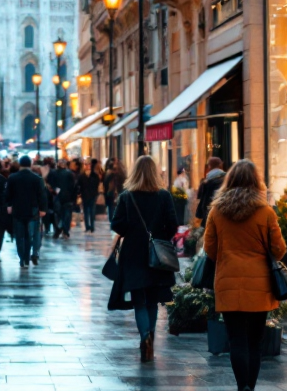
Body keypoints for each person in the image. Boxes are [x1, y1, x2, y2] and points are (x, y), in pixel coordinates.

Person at [203, 160, 287, 391]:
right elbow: (279, 250)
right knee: (255, 340)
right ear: (256, 181)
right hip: (259, 284)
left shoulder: (217, 211)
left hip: (228, 282)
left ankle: (243, 387)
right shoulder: (265, 212)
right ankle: (251, 385)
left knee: (236, 339)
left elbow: (209, 249)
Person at [108, 154, 178, 363]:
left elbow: (117, 226)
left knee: (139, 300)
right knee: (153, 301)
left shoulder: (127, 197)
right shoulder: (164, 196)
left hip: (133, 254)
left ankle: (144, 337)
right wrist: (160, 237)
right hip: (158, 255)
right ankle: (151, 340)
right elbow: (173, 224)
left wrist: (134, 230)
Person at [4, 155, 48, 268]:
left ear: (20, 165)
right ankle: (27, 258)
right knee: (29, 235)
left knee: (19, 235)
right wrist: (43, 209)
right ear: (30, 164)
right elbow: (42, 195)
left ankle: (22, 258)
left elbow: (7, 194)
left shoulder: (13, 178)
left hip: (17, 209)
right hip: (32, 210)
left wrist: (9, 205)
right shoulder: (37, 178)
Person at [47, 159, 77, 239]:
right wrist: (74, 198)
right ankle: (65, 231)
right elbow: (74, 187)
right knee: (67, 215)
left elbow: (50, 185)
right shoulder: (70, 174)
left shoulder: (53, 173)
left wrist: (54, 192)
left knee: (57, 215)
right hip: (68, 198)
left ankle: (58, 230)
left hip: (57, 197)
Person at [195, 156, 226, 227]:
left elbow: (203, 201)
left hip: (210, 216)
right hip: (225, 216)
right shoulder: (227, 179)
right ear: (220, 165)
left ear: (209, 166)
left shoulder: (207, 182)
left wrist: (199, 215)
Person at [78, 159, 102, 233]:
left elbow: (97, 184)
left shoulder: (95, 175)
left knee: (92, 211)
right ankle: (87, 226)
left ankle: (92, 226)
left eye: (89, 165)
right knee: (86, 212)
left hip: (92, 195)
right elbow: (79, 185)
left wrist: (95, 193)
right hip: (84, 195)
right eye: (86, 165)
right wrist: (79, 194)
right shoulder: (81, 175)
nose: (87, 166)